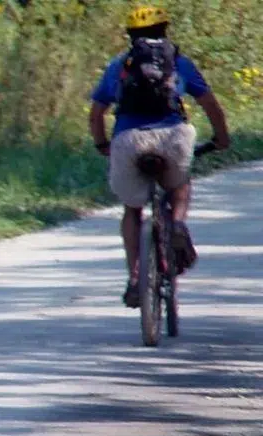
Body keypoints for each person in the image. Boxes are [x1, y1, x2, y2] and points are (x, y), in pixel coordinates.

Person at [89, 5, 230, 308]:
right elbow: (210, 104)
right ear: (165, 30)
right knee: (179, 185)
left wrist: (102, 144)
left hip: (129, 140)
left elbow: (97, 112)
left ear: (131, 36)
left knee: (132, 209)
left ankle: (135, 277)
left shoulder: (119, 65)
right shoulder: (179, 63)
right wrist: (221, 137)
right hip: (173, 138)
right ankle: (177, 223)